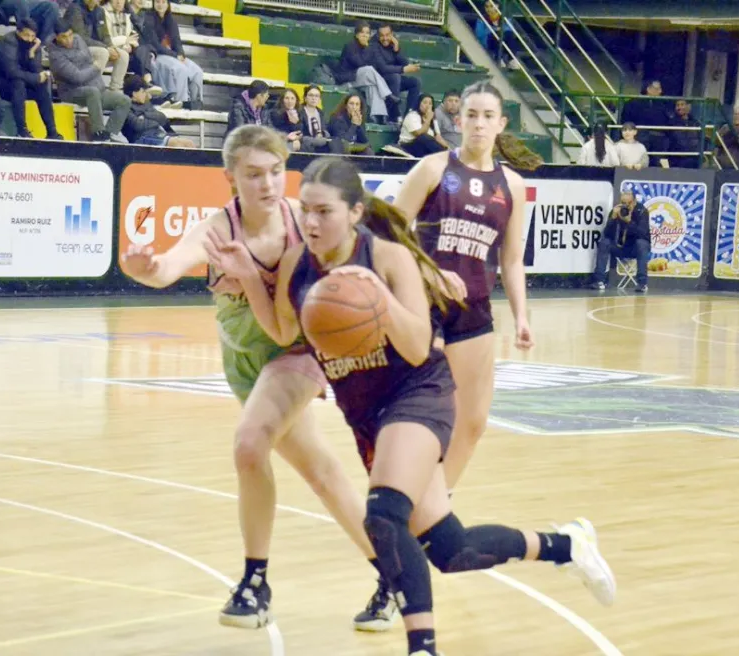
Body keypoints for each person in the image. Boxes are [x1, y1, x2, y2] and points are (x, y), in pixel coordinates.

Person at [204, 156, 615, 656]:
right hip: (367, 414)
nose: (310, 223)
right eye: (306, 210)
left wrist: (380, 300)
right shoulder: (298, 265)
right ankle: (566, 545)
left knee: (382, 515)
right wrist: (249, 277)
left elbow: (420, 346)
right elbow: (284, 332)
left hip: (417, 393)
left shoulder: (389, 258)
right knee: (451, 549)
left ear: (355, 212)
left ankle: (422, 648)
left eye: (324, 212)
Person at [119, 125, 397, 632]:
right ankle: (394, 573)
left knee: (250, 445)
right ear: (230, 178)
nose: (268, 184)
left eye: (275, 172)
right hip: (245, 361)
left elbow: (353, 260)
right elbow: (166, 268)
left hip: (296, 348)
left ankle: (255, 581)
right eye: (253, 174)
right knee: (322, 473)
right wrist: (143, 267)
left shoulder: (302, 225)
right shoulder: (217, 227)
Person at [392, 80, 542, 491]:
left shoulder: (511, 186)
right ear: (458, 121)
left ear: (501, 123)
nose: (478, 124)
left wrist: (522, 317)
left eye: (488, 116)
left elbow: (511, 259)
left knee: (473, 422)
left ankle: (439, 500)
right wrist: (429, 271)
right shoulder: (433, 169)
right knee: (427, 412)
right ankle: (404, 491)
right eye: (471, 115)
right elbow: (388, 234)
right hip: (423, 305)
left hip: (474, 309)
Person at [590, 188, 651, 293]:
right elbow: (607, 233)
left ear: (635, 202)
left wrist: (629, 222)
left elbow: (642, 234)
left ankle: (642, 283)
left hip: (634, 248)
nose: (626, 206)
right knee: (604, 242)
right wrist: (613, 218)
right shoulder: (617, 211)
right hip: (619, 247)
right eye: (623, 203)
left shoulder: (642, 211)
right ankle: (599, 280)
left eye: (629, 203)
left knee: (642, 244)